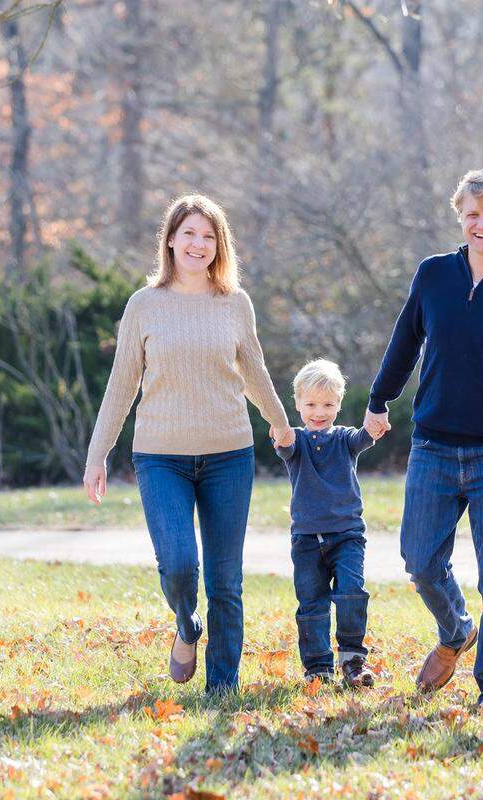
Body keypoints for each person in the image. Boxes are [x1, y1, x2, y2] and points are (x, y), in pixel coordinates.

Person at [82, 194, 294, 695]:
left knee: (226, 582)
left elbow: (255, 372)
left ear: (219, 244)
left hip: (229, 456)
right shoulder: (144, 304)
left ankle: (223, 688)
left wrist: (281, 425)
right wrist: (98, 454)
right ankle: (185, 625)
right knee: (178, 564)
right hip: (160, 457)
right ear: (171, 240)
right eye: (189, 233)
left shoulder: (235, 304)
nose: (199, 244)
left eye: (209, 235)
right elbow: (121, 383)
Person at [365, 169, 483, 711]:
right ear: (460, 216)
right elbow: (404, 342)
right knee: (419, 558)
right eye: (472, 214)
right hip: (431, 445)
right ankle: (456, 631)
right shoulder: (433, 276)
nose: (482, 223)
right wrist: (379, 400)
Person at [274, 359, 379, 688]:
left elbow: (363, 438)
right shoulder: (297, 442)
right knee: (312, 603)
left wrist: (373, 427)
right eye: (311, 404)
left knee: (351, 591)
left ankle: (352, 658)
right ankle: (318, 667)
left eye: (328, 404)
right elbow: (284, 445)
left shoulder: (345, 438)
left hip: (347, 535)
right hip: (306, 539)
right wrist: (279, 430)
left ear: (339, 404)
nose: (319, 412)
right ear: (297, 405)